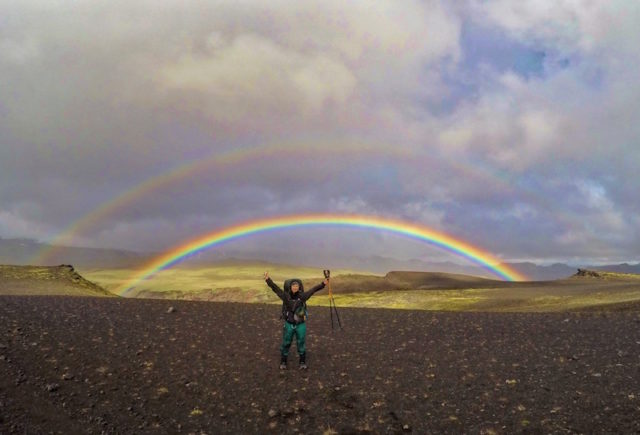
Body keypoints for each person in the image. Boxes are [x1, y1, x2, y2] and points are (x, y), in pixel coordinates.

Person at [264, 271, 328, 370]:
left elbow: (313, 290)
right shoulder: (286, 297)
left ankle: (302, 362)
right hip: (289, 324)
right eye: (293, 286)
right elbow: (276, 289)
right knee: (286, 342)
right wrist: (268, 280)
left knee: (301, 342)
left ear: (299, 287)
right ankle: (283, 362)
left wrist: (323, 284)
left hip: (300, 324)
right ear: (290, 287)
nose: (295, 287)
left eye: (296, 286)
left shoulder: (302, 297)